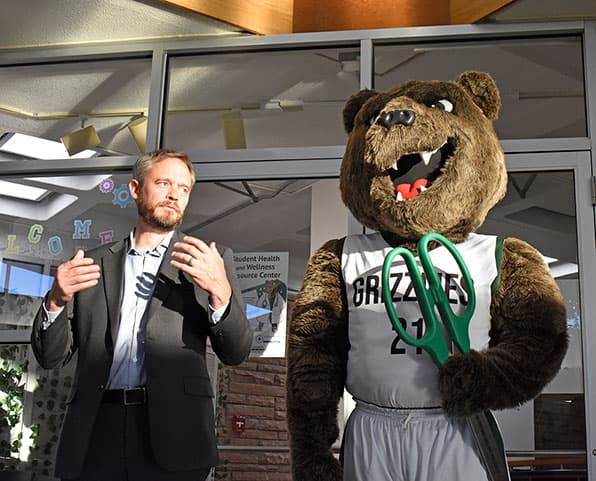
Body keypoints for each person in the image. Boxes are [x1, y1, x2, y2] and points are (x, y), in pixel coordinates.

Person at [31, 149, 253, 481]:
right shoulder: (92, 264)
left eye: (183, 188)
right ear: (135, 189)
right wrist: (56, 301)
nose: (174, 194)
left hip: (176, 434)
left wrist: (220, 292)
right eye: (164, 182)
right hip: (96, 432)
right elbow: (50, 357)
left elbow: (236, 352)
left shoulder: (209, 260)